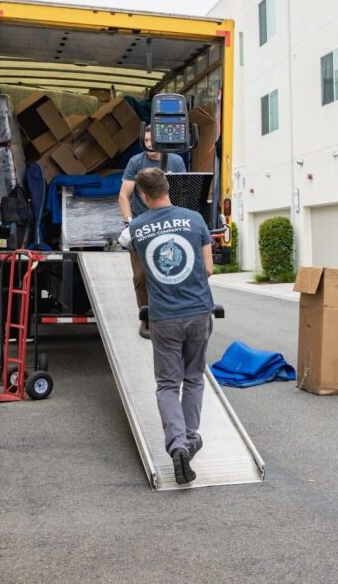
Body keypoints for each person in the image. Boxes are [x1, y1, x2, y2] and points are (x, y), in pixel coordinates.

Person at [127, 168, 214, 485]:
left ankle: (176, 444)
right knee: (193, 379)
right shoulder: (195, 219)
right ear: (168, 188)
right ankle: (189, 441)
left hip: (163, 317)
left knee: (167, 385)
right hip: (198, 312)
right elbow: (206, 268)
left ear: (143, 196)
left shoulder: (137, 228)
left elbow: (141, 275)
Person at [118, 124, 186, 338]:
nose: (149, 145)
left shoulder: (175, 161)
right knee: (141, 275)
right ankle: (145, 319)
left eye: (153, 140)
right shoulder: (136, 162)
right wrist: (130, 223)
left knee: (170, 272)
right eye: (146, 141)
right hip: (141, 224)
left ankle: (171, 318)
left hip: (168, 225)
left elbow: (183, 193)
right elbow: (123, 196)